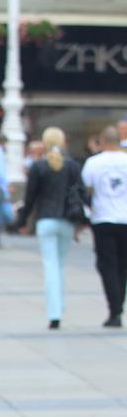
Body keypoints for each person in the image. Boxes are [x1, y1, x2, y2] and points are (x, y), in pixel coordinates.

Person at [16, 127, 84, 330]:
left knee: (50, 265)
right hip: (67, 220)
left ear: (44, 144)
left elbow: (30, 198)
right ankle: (59, 307)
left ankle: (54, 312)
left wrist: (21, 221)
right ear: (63, 143)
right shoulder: (72, 166)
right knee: (61, 265)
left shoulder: (39, 167)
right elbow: (81, 194)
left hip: (46, 220)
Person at [81, 125, 127, 328]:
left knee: (107, 265)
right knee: (123, 265)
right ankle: (119, 305)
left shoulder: (93, 162)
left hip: (102, 218)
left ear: (102, 141)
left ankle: (114, 310)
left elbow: (85, 191)